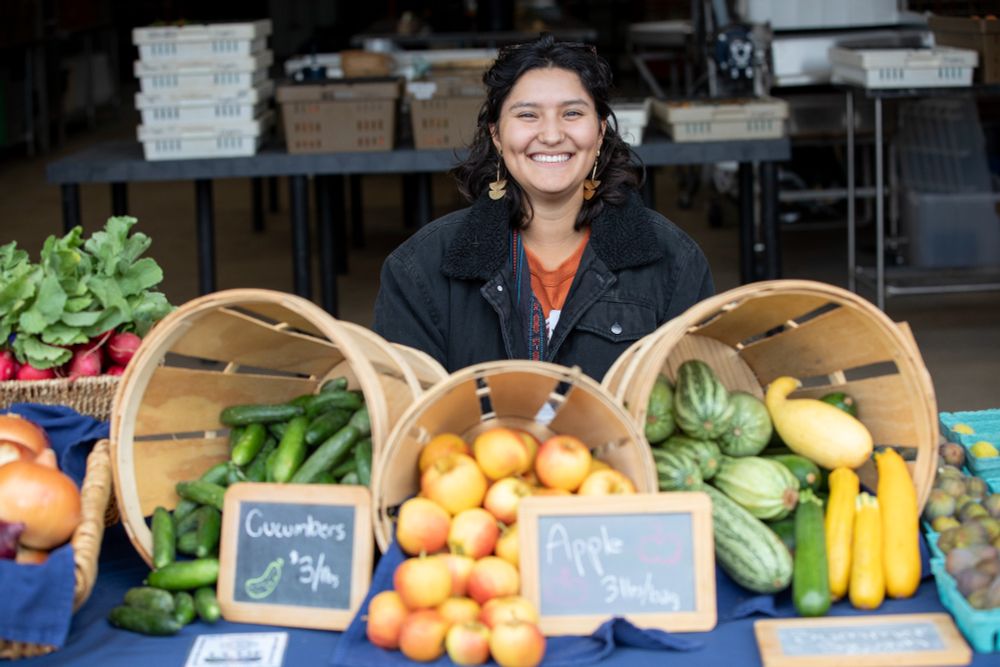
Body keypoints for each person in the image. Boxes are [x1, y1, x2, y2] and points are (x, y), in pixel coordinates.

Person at [373, 35, 714, 380]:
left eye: (572, 113)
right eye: (527, 115)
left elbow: (689, 402)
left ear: (598, 132)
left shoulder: (673, 261)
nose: (551, 135)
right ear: (496, 135)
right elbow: (406, 411)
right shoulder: (421, 268)